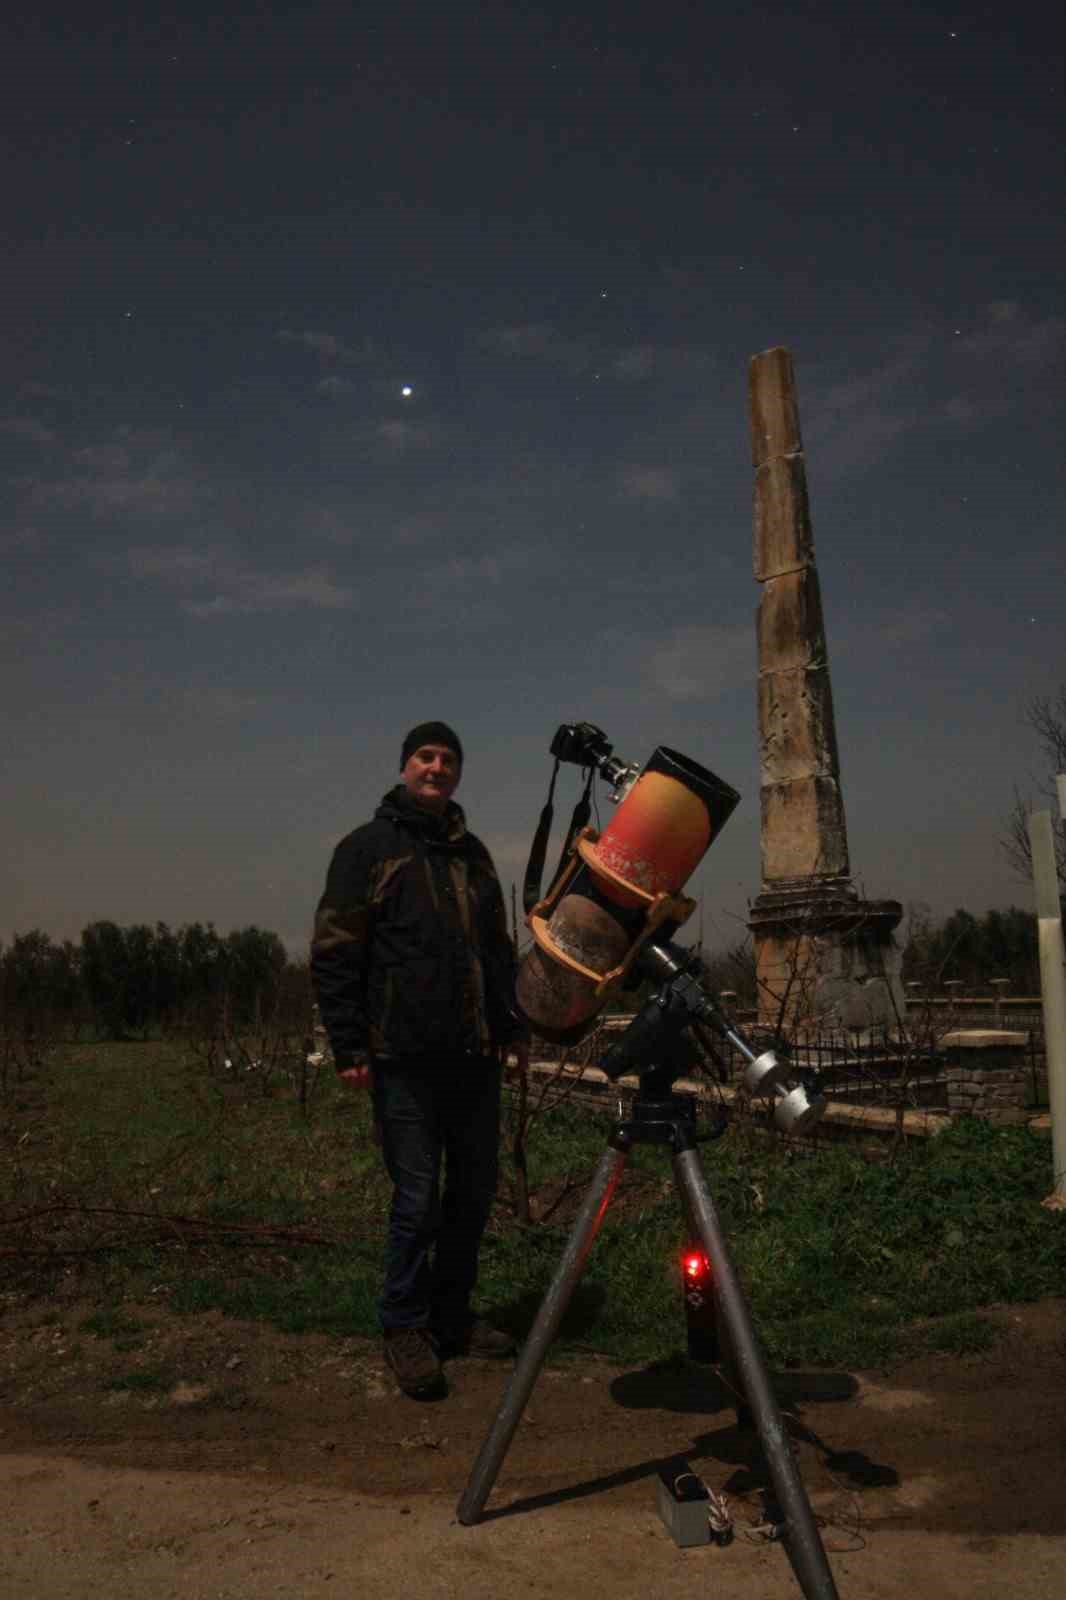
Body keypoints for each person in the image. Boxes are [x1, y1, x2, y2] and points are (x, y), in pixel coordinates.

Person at [310, 721, 530, 1399]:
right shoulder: (366, 849)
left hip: (475, 1055)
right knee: (416, 1197)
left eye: (448, 760)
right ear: (406, 766)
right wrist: (349, 1044)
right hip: (401, 1055)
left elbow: (496, 953)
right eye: (426, 757)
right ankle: (403, 1326)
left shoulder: (476, 857)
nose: (437, 768)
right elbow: (336, 951)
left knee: (473, 1192)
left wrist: (511, 1026)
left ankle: (451, 1316)